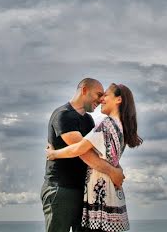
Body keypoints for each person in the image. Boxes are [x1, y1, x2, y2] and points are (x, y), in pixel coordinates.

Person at [47, 83, 142, 232]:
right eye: (100, 95)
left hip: (100, 197)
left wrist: (53, 154)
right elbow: (110, 157)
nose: (102, 99)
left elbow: (79, 149)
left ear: (118, 100)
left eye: (106, 95)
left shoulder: (107, 125)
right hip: (110, 195)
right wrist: (116, 171)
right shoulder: (121, 126)